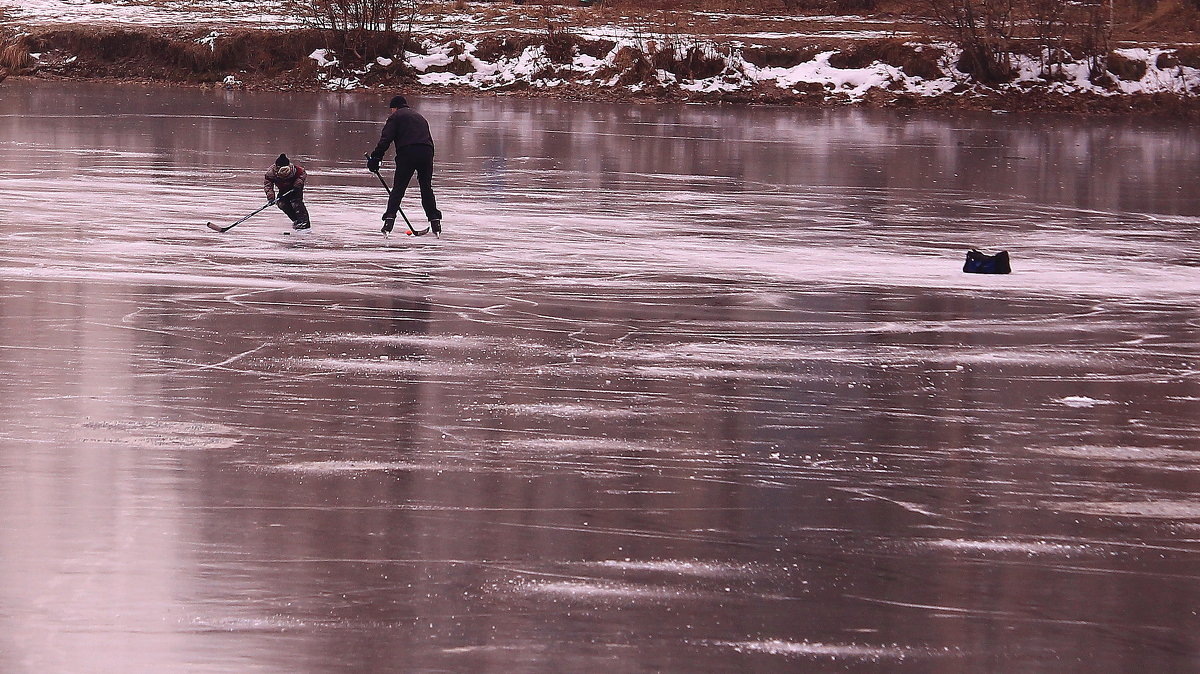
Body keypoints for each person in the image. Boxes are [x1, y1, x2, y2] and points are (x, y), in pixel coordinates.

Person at [366, 95, 442, 235]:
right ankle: (435, 220)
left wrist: (376, 158)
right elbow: (429, 140)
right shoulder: (420, 117)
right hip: (426, 152)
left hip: (407, 152)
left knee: (399, 189)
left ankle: (389, 221)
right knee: (426, 188)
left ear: (394, 108)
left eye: (391, 110)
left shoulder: (396, 117)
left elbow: (385, 139)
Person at [264, 153, 310, 231]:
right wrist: (271, 198)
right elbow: (268, 186)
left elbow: (303, 174)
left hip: (295, 188)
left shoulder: (295, 170)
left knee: (296, 203)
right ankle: (296, 220)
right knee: (281, 204)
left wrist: (298, 183)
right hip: (283, 190)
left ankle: (304, 222)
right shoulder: (270, 173)